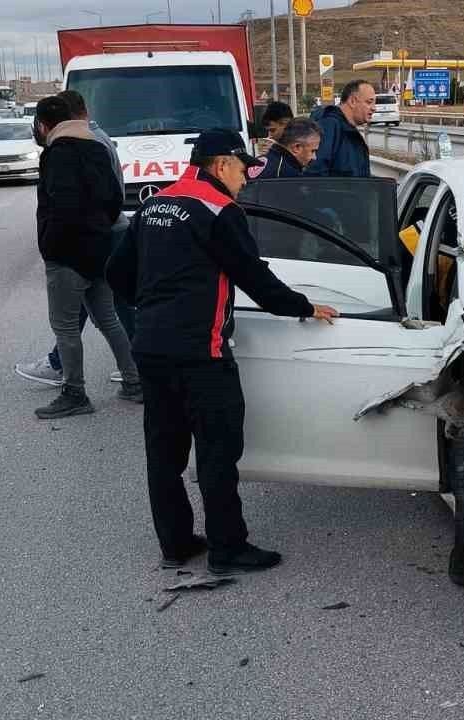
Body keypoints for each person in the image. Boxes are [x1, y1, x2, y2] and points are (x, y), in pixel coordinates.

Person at [106, 129, 339, 575]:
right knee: (217, 451)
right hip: (201, 352)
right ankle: (227, 549)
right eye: (243, 169)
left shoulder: (155, 203)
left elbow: (117, 272)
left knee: (164, 452)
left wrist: (155, 307)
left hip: (151, 348)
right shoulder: (219, 210)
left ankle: (174, 543)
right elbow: (254, 277)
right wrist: (304, 307)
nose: (246, 179)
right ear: (220, 165)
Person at [32, 94, 141, 420]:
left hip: (68, 255)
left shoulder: (57, 154)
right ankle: (136, 383)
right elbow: (113, 200)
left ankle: (74, 392)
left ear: (44, 125)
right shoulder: (97, 147)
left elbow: (60, 207)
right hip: (102, 248)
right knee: (109, 319)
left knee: (65, 327)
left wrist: (51, 246)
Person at [305, 79, 374, 177]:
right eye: (369, 102)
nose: (374, 107)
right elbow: (316, 173)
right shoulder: (328, 126)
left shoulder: (349, 131)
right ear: (352, 101)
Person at [256, 118, 322, 179]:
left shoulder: (258, 161)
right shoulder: (289, 176)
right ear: (296, 147)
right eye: (312, 151)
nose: (314, 157)